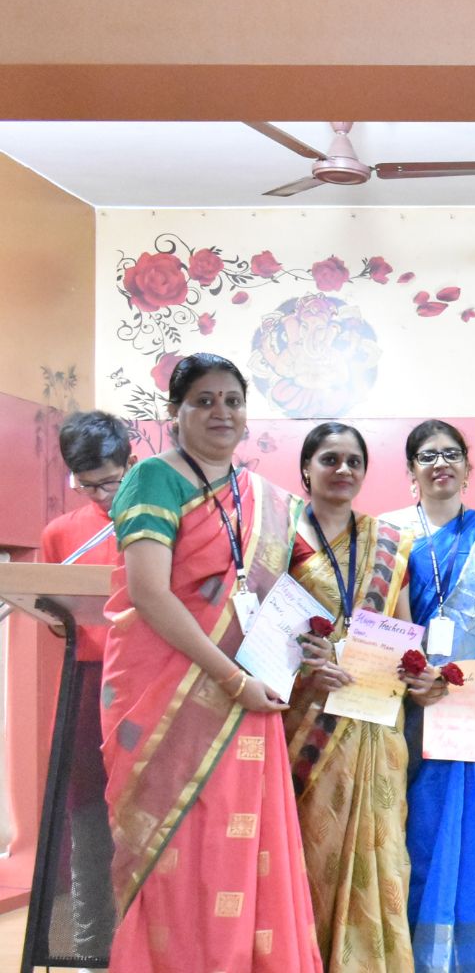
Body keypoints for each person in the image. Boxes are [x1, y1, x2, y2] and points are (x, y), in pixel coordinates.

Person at [101, 352, 322, 971]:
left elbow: (294, 590)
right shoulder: (154, 479)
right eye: (204, 400)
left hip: (250, 687)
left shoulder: (264, 499)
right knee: (178, 843)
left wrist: (316, 644)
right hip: (172, 689)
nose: (221, 412)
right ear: (175, 411)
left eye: (232, 400)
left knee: (242, 839)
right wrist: (230, 678)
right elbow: (149, 593)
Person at [380, 420, 475, 973]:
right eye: (427, 455)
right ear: (410, 470)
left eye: (450, 454)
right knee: (419, 829)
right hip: (412, 704)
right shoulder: (387, 534)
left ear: (468, 466)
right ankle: (419, 955)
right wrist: (409, 678)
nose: (440, 463)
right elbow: (375, 622)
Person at [283, 421, 418, 971]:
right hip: (306, 719)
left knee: (380, 848)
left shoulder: (388, 543)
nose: (343, 470)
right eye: (330, 459)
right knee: (312, 851)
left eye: (353, 461)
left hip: (373, 721)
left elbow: (403, 631)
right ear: (306, 468)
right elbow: (261, 631)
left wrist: (419, 670)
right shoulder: (281, 540)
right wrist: (305, 669)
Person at [37, 410, 133, 958]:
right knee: (88, 819)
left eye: (110, 482)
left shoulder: (162, 522)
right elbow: (57, 620)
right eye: (87, 484)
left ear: (130, 464)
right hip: (86, 684)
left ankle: (150, 948)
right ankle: (92, 950)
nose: (99, 495)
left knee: (147, 813)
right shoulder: (60, 534)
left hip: (145, 684)